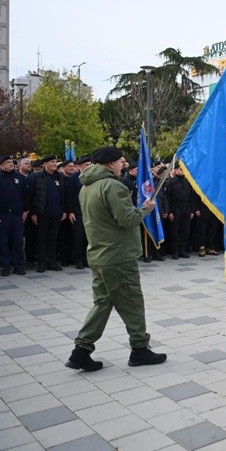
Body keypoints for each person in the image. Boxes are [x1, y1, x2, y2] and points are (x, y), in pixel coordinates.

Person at [65, 146, 165, 372]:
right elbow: (128, 220)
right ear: (110, 164)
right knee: (132, 302)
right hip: (118, 256)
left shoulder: (87, 187)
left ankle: (81, 351)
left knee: (102, 304)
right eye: (120, 161)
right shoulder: (112, 186)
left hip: (100, 254)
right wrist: (145, 209)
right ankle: (139, 349)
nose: (124, 165)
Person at [0, 156, 28, 277]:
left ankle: (18, 265)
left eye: (12, 162)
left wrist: (26, 211)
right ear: (1, 165)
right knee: (3, 241)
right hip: (2, 215)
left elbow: (26, 196)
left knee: (18, 240)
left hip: (17, 214)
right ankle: (5, 265)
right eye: (8, 162)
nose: (11, 164)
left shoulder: (20, 178)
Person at [26, 155, 66, 272]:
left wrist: (64, 210)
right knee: (41, 239)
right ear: (45, 164)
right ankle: (41, 263)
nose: (55, 164)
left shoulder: (60, 177)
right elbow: (30, 196)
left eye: (56, 162)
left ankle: (51, 262)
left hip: (56, 213)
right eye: (52, 162)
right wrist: (32, 213)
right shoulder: (36, 177)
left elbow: (63, 195)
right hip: (41, 213)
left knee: (53, 238)